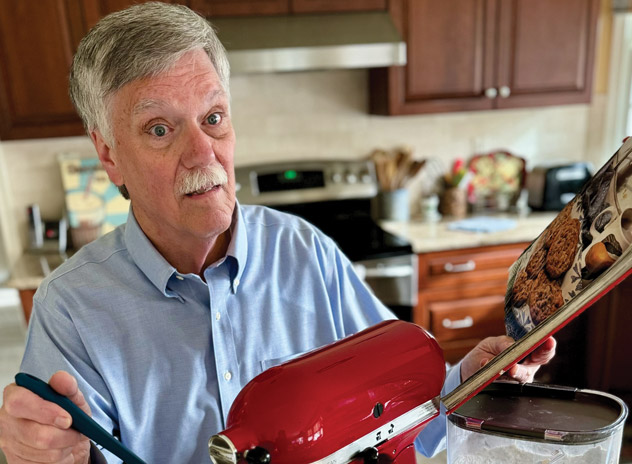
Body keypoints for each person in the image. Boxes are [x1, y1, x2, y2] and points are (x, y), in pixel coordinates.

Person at [0, 3, 556, 463]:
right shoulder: (71, 309)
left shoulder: (306, 251)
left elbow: (402, 407)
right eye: (160, 129)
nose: (203, 154)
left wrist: (468, 378)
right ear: (109, 156)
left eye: (213, 118)